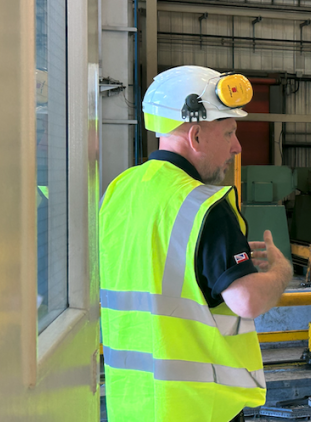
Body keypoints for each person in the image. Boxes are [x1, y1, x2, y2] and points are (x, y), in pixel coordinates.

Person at [99, 66, 293, 422]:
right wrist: (281, 270)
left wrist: (214, 262)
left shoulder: (118, 191)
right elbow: (246, 299)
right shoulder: (205, 205)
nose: (236, 146)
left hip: (131, 405)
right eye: (229, 132)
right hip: (196, 408)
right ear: (196, 135)